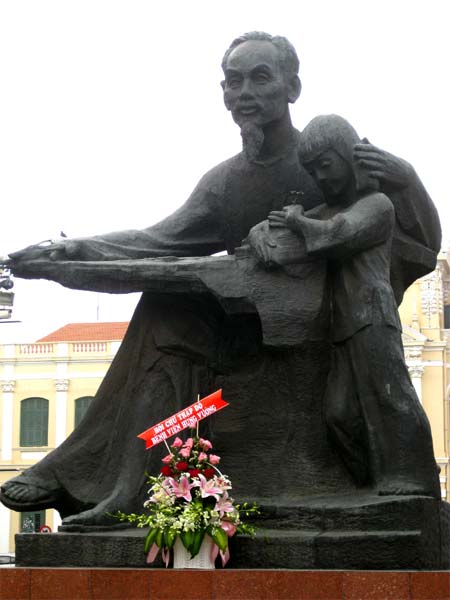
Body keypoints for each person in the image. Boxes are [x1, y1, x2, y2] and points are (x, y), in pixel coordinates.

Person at [0, 33, 441, 525]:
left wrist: (407, 179)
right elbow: (159, 239)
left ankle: (100, 479)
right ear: (224, 94)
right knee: (165, 310)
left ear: (292, 87)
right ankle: (127, 488)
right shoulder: (224, 181)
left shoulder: (325, 155)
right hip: (240, 327)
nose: (245, 92)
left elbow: (411, 237)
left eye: (260, 78)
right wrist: (76, 248)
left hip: (320, 331)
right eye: (234, 82)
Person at [268, 114, 441, 497]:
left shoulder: (378, 205)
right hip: (342, 325)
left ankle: (414, 479)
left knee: (392, 396)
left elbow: (337, 234)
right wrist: (261, 233)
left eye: (325, 165)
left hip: (373, 316)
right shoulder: (328, 210)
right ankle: (371, 481)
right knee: (339, 413)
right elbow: (281, 226)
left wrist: (298, 222)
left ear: (348, 158)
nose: (321, 179)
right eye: (313, 172)